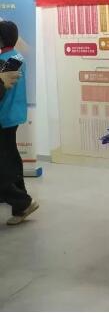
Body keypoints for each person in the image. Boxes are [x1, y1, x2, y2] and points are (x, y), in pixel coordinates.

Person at [0, 20, 38, 225]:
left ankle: (22, 202)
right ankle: (20, 205)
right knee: (12, 160)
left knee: (5, 163)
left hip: (3, 117)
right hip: (14, 115)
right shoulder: (18, 57)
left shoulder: (4, 61)